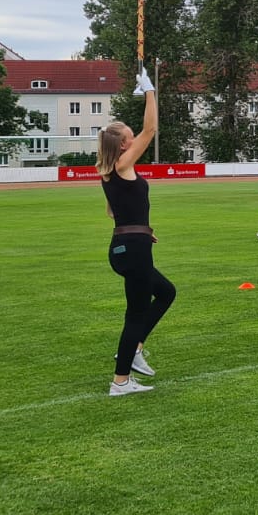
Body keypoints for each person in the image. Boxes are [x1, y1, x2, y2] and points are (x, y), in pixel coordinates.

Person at [98, 66, 175, 396]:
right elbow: (152, 128)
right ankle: (120, 380)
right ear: (123, 145)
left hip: (125, 245)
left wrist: (142, 231)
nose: (135, 140)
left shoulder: (108, 172)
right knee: (135, 315)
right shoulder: (122, 165)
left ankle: (136, 349)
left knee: (166, 292)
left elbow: (113, 212)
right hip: (133, 250)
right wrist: (150, 91)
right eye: (131, 138)